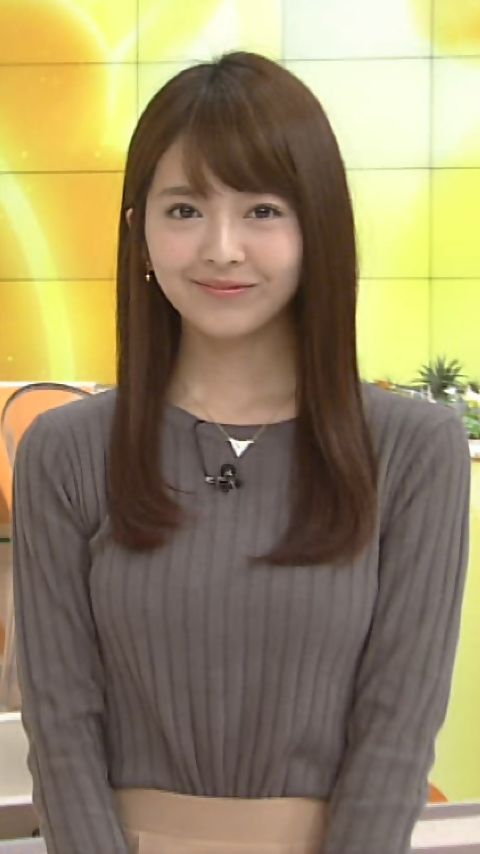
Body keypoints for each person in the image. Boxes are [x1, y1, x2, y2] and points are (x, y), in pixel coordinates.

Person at [12, 51, 470, 854]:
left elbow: (397, 728)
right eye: (185, 209)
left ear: (317, 227)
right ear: (140, 232)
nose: (221, 248)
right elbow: (61, 723)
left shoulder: (413, 450)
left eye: (261, 210)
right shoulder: (67, 450)